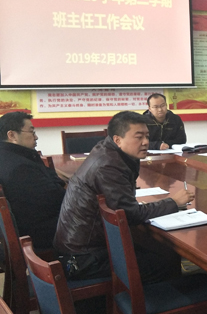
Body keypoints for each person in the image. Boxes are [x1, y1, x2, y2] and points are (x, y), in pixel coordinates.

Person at [54, 111, 194, 283]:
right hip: (84, 259)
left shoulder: (108, 151)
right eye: (139, 137)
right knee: (167, 259)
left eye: (147, 136)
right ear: (118, 139)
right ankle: (153, 300)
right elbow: (131, 214)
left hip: (85, 247)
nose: (146, 142)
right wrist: (173, 202)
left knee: (159, 248)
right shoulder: (109, 166)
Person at [0, 112, 65, 255]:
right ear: (12, 135)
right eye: (31, 132)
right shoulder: (21, 167)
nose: (36, 137)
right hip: (39, 235)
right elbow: (58, 199)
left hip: (26, 228)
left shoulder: (11, 156)